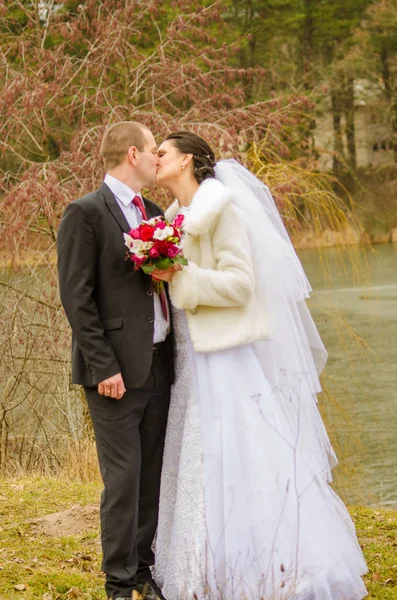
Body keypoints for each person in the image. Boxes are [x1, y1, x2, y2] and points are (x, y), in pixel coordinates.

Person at [152, 131, 368, 600]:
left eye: (162, 153)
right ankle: (202, 572)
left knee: (242, 452)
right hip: (190, 356)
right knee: (197, 457)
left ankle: (275, 569)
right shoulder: (171, 220)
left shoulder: (220, 210)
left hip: (225, 353)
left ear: (186, 160)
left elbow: (241, 284)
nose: (154, 159)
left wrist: (181, 279)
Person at [57, 121, 173, 600]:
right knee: (123, 479)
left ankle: (144, 569)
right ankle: (119, 583)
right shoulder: (84, 213)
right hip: (114, 374)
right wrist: (104, 366)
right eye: (152, 150)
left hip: (160, 365)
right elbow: (76, 297)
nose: (156, 159)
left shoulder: (155, 211)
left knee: (151, 474)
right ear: (132, 154)